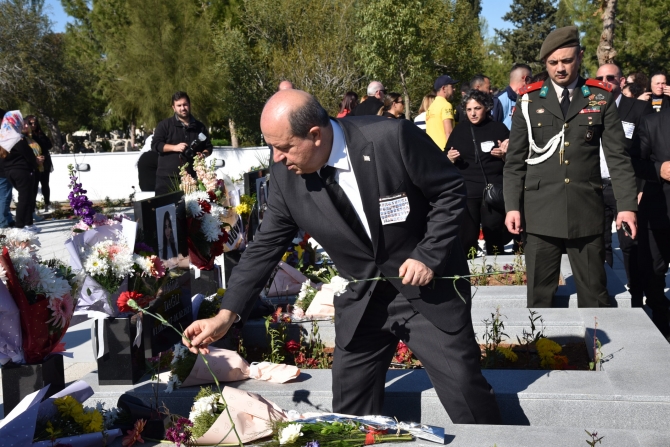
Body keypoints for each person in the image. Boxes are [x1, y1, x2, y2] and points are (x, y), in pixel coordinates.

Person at [182, 89, 502, 424]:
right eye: (271, 146)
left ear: (315, 135)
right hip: (364, 299)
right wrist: (225, 315)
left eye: (284, 146)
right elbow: (263, 248)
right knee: (349, 411)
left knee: (466, 394)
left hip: (425, 292)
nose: (276, 158)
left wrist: (428, 254)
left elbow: (449, 191)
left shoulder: (391, 138)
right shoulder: (285, 178)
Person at [503, 26, 638, 308]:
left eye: (567, 60)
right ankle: (540, 352)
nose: (560, 68)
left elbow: (618, 157)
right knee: (539, 298)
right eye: (553, 63)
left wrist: (626, 205)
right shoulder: (528, 100)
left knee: (595, 296)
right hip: (539, 212)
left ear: (580, 56)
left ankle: (598, 352)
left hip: (585, 212)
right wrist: (512, 206)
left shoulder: (600, 97)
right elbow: (515, 161)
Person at [596, 63, 653, 308]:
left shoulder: (639, 108)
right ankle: (606, 296)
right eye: (600, 77)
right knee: (598, 244)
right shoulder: (590, 109)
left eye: (610, 77)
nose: (605, 81)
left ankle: (636, 299)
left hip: (626, 187)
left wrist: (640, 187)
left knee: (630, 245)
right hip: (595, 187)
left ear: (621, 81)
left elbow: (648, 152)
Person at [446, 90, 511, 255]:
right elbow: (445, 157)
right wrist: (450, 158)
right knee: (466, 239)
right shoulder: (459, 131)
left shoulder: (499, 129)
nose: (473, 113)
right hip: (467, 191)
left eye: (477, 108)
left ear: (487, 108)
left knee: (494, 237)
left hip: (492, 192)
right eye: (469, 109)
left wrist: (504, 155)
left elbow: (514, 160)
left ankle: (496, 275)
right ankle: (470, 276)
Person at [633, 108, 670, 336]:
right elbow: (635, 160)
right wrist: (659, 169)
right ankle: (661, 321)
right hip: (660, 210)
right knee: (654, 272)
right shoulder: (652, 121)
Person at [151, 92, 213, 196]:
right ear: (173, 108)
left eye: (185, 105)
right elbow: (155, 145)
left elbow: (208, 147)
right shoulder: (164, 125)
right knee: (164, 210)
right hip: (167, 179)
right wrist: (174, 147)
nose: (182, 108)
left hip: (191, 179)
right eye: (179, 105)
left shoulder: (200, 127)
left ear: (189, 105)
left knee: (191, 211)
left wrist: (204, 155)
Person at [0, 111, 39, 230]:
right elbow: (29, 155)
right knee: (24, 198)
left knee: (23, 197)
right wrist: (36, 162)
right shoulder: (17, 138)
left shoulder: (3, 138)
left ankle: (27, 223)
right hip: (21, 171)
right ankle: (21, 225)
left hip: (9, 171)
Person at [24, 116, 52, 212]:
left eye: (35, 123)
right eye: (30, 123)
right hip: (33, 164)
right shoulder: (26, 137)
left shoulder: (40, 134)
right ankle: (33, 206)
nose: (33, 125)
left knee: (45, 184)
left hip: (44, 162)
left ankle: (47, 203)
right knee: (33, 186)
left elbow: (49, 146)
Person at [492, 64, 533, 130]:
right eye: (531, 79)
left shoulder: (527, 98)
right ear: (526, 79)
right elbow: (492, 128)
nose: (532, 83)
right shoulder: (499, 100)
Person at [426, 75, 458, 150]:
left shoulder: (431, 107)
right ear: (444, 88)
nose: (454, 89)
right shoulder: (446, 105)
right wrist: (451, 151)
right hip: (444, 151)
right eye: (452, 86)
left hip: (432, 150)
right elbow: (449, 132)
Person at [0, 109, 14, 228]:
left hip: (4, 170)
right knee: (4, 197)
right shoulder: (4, 134)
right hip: (3, 171)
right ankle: (3, 223)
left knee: (5, 197)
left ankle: (8, 219)